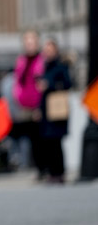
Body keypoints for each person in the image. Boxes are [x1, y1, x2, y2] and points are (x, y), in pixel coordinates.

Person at [37, 38, 72, 184]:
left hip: (56, 110)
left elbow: (68, 83)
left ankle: (59, 172)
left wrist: (49, 84)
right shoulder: (44, 67)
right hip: (46, 111)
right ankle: (52, 172)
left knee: (57, 143)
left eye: (50, 50)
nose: (48, 53)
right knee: (48, 143)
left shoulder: (61, 66)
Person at [12, 30, 45, 179]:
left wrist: (40, 105)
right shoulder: (22, 61)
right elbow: (18, 82)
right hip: (25, 106)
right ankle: (39, 168)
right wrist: (18, 97)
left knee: (43, 137)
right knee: (32, 139)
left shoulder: (42, 60)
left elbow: (41, 83)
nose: (29, 45)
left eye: (32, 41)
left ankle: (46, 167)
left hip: (39, 105)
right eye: (27, 42)